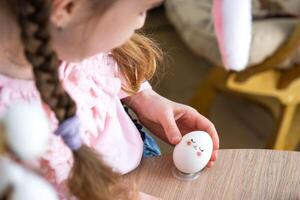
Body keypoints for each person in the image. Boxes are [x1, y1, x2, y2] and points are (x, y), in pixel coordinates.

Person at [0, 0, 219, 199]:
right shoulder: (8, 118)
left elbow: (103, 63)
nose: (140, 23)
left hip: (139, 162)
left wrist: (143, 97)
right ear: (66, 8)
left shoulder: (69, 35)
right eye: (140, 11)